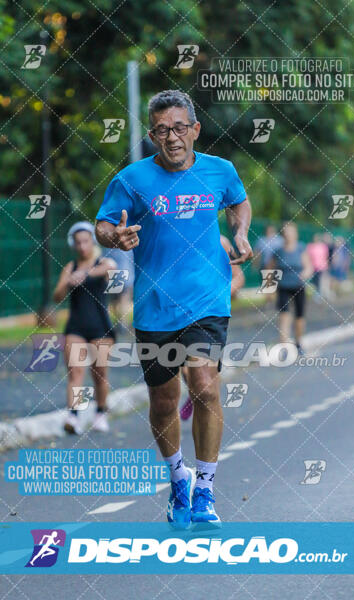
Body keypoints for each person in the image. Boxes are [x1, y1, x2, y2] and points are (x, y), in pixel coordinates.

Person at [96, 89, 252, 529]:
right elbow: (104, 222)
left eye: (180, 128)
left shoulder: (220, 171)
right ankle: (177, 478)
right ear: (152, 135)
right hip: (154, 308)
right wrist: (115, 237)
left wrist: (240, 232)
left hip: (207, 299)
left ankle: (205, 487)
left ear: (195, 130)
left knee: (204, 385)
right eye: (162, 131)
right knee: (165, 402)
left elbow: (238, 201)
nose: (172, 138)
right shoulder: (133, 179)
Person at [53, 221, 116, 435]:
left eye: (85, 241)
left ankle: (100, 413)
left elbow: (111, 269)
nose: (82, 246)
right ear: (73, 244)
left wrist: (86, 274)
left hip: (100, 326)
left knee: (99, 373)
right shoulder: (70, 267)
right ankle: (74, 415)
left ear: (92, 242)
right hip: (76, 326)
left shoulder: (103, 262)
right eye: (78, 243)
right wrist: (68, 281)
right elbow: (57, 296)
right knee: (76, 372)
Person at [179, 234, 245, 421]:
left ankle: (203, 396)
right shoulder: (178, 238)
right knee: (184, 368)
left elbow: (238, 278)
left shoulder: (221, 242)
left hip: (209, 316)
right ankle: (195, 393)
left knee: (205, 368)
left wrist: (220, 297)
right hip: (179, 312)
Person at [268, 222, 313, 353]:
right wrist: (269, 289)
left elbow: (308, 266)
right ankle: (284, 346)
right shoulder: (278, 251)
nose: (288, 235)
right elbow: (270, 269)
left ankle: (298, 343)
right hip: (283, 286)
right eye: (286, 233)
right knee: (284, 315)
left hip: (298, 286)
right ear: (283, 235)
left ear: (295, 234)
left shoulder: (300, 248)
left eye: (291, 232)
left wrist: (305, 273)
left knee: (299, 316)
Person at [306, 234, 329, 302]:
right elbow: (308, 256)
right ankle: (316, 295)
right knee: (314, 282)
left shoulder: (323, 246)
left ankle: (319, 296)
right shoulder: (310, 246)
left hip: (322, 267)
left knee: (320, 282)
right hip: (313, 267)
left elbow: (326, 256)